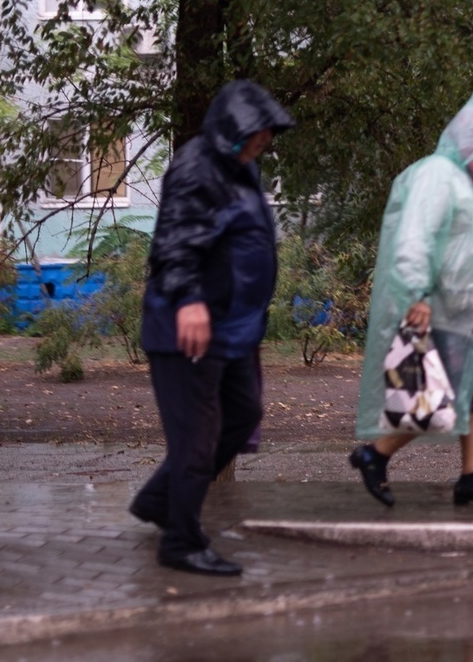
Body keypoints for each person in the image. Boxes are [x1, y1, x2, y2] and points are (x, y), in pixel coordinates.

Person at [130, 79, 294, 576]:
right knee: (197, 440)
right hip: (189, 327)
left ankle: (160, 500)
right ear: (233, 129)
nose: (264, 142)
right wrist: (191, 301)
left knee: (241, 417)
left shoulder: (241, 168)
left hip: (233, 331)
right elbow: (175, 240)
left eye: (267, 136)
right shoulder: (196, 166)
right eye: (258, 134)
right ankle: (180, 541)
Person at [349, 90, 473, 507]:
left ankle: (472, 475)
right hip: (441, 309)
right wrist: (417, 295)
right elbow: (414, 238)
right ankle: (374, 454)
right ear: (464, 140)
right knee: (436, 395)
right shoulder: (436, 175)